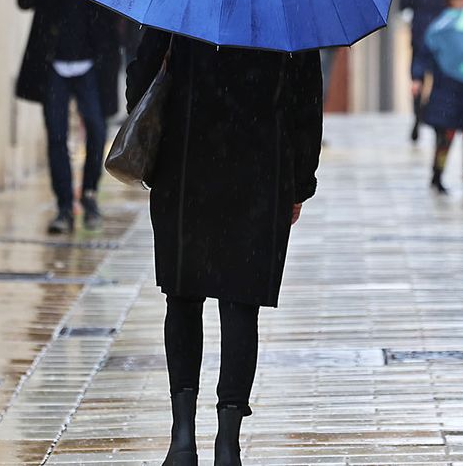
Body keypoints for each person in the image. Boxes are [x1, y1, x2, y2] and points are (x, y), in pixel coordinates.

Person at [126, 29, 323, 466]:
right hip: (261, 169)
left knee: (182, 298)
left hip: (185, 165)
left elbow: (140, 77)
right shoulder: (285, 7)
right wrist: (299, 182)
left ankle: (182, 437)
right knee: (240, 305)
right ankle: (228, 442)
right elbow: (306, 104)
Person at [18, 0, 116, 234]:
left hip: (91, 64)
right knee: (57, 136)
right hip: (54, 64)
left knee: (97, 130)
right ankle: (64, 206)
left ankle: (89, 195)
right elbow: (24, 0)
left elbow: (117, 9)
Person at [412, 0, 463, 196]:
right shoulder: (440, 27)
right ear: (449, 0)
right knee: (445, 137)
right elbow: (424, 53)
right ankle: (437, 175)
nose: (462, 2)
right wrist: (417, 77)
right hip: (446, 90)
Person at [399, 0, 462, 141]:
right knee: (443, 78)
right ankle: (440, 113)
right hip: (447, 32)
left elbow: (404, 3)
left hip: (420, 31)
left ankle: (417, 113)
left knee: (418, 76)